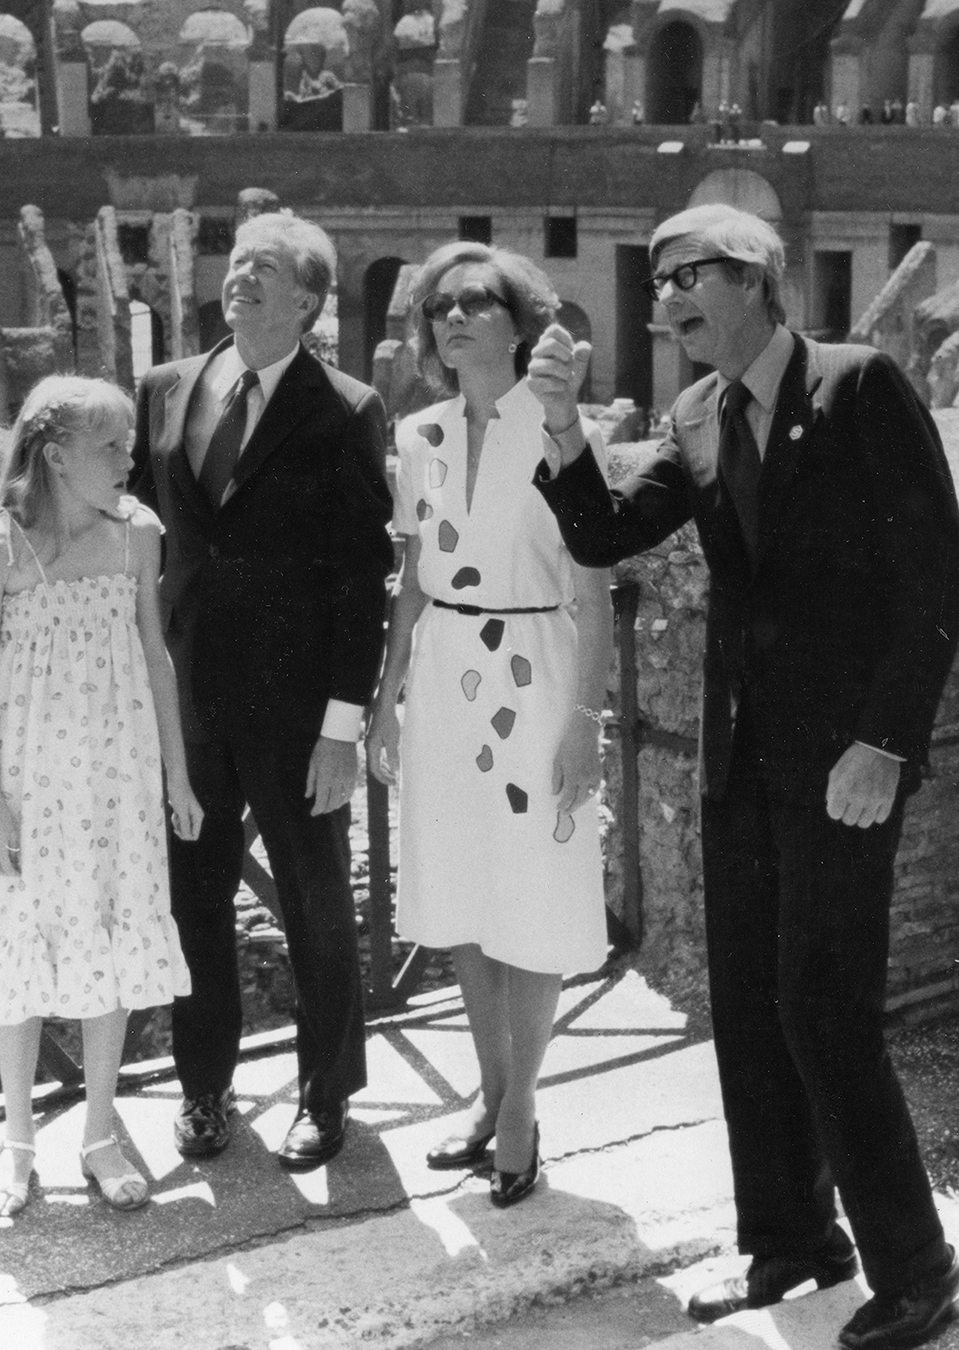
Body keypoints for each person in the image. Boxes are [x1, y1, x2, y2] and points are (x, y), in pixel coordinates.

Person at [524, 205, 959, 1350]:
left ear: (757, 280)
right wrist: (564, 427)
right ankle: (791, 1246)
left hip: (844, 764)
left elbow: (935, 576)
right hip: (742, 763)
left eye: (689, 276)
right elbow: (605, 537)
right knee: (751, 1009)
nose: (666, 296)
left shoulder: (858, 385)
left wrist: (886, 742)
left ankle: (918, 1272)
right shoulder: (696, 411)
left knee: (828, 1008)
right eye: (660, 278)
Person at [126, 211, 396, 1169]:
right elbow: (135, 533)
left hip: (296, 712)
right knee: (193, 899)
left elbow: (363, 580)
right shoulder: (163, 388)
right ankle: (204, 1095)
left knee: (316, 901)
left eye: (267, 269)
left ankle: (327, 1097)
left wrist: (341, 728)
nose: (241, 278)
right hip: (191, 701)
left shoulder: (346, 407)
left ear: (310, 300)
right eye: (238, 262)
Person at [363, 243, 615, 1207]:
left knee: (533, 896)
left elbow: (594, 595)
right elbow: (412, 585)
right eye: (439, 307)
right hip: (441, 682)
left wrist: (586, 718)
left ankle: (519, 1115)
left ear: (520, 322)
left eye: (477, 302)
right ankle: (492, 1092)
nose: (453, 317)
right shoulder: (418, 436)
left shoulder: (560, 431)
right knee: (467, 895)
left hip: (540, 672)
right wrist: (385, 700)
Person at [0, 374, 205, 1217]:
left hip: (115, 778)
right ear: (56, 455)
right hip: (25, 780)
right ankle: (17, 1142)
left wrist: (177, 775)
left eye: (130, 443)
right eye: (111, 447)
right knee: (19, 942)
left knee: (111, 936)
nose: (131, 460)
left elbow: (155, 658)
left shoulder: (137, 538)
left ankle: (97, 1132)